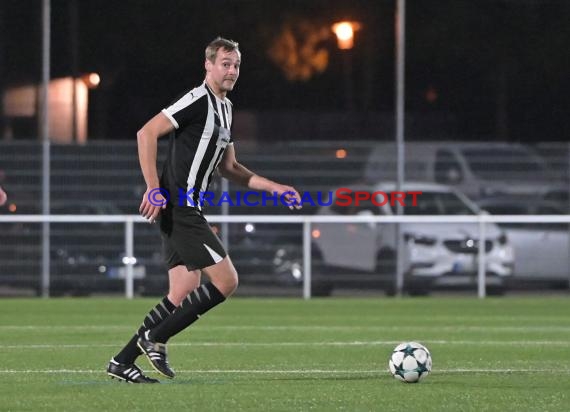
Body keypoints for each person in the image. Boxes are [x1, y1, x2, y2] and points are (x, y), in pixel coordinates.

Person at [107, 37, 301, 383]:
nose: (231, 70)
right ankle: (156, 338)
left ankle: (122, 361)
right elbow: (146, 133)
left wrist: (274, 188)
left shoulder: (226, 108)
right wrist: (153, 188)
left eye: (236, 65)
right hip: (180, 206)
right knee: (227, 281)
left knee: (182, 288)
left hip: (188, 208)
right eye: (225, 63)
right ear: (208, 66)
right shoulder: (197, 100)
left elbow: (230, 167)